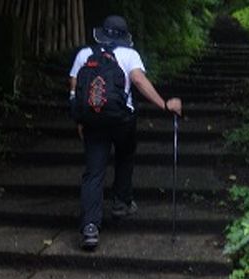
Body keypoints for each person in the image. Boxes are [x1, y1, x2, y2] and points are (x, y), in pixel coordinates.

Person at [68, 15, 182, 250]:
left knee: (93, 171)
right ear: (124, 37)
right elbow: (139, 81)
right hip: (121, 119)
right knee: (125, 154)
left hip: (92, 120)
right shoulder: (130, 55)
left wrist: (80, 118)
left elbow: (74, 85)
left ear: (103, 33)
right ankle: (121, 203)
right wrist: (164, 105)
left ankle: (90, 227)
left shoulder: (84, 54)